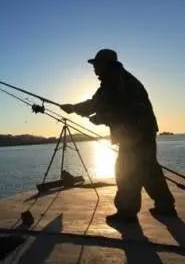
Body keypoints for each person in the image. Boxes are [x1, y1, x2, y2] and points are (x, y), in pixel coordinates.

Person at [58, 49, 176, 223]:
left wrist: (101, 118)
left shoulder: (115, 81)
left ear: (107, 65)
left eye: (96, 65)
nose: (94, 68)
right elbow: (97, 103)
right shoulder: (114, 79)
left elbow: (122, 108)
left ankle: (127, 213)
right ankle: (165, 207)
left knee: (125, 170)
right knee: (149, 170)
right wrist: (74, 108)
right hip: (142, 132)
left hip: (135, 133)